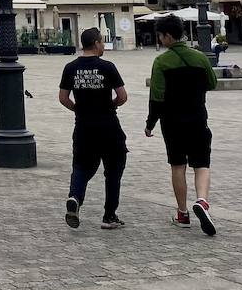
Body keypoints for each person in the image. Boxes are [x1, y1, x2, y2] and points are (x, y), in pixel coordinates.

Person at [145, 12, 219, 236]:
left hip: (172, 122)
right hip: (198, 118)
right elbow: (212, 83)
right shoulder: (199, 58)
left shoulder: (161, 62)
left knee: (178, 166)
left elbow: (156, 97)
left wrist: (150, 124)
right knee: (202, 164)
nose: (160, 40)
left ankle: (183, 213)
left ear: (168, 36)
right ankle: (203, 201)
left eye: (160, 36)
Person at [59, 27, 129, 230]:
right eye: (102, 42)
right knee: (114, 169)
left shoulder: (70, 67)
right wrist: (110, 105)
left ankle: (75, 198)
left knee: (81, 167)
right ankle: (109, 216)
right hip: (108, 126)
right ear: (97, 43)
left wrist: (79, 110)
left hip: (83, 126)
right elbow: (123, 96)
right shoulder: (107, 67)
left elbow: (63, 98)